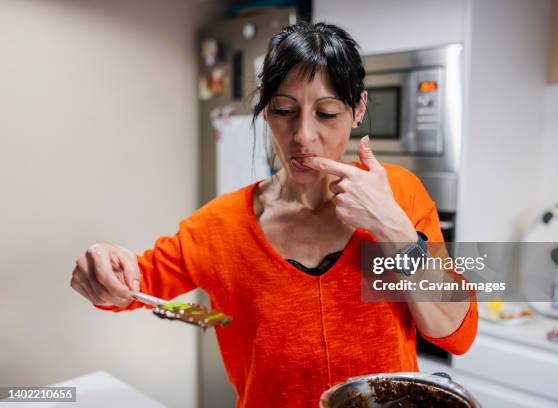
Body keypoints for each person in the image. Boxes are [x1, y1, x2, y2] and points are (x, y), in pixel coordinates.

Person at [70, 21, 478, 408]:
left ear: (357, 109)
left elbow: (456, 334)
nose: (303, 135)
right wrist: (102, 265)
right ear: (265, 111)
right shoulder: (220, 225)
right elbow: (127, 286)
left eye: (327, 113)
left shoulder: (400, 196)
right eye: (284, 111)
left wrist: (394, 229)